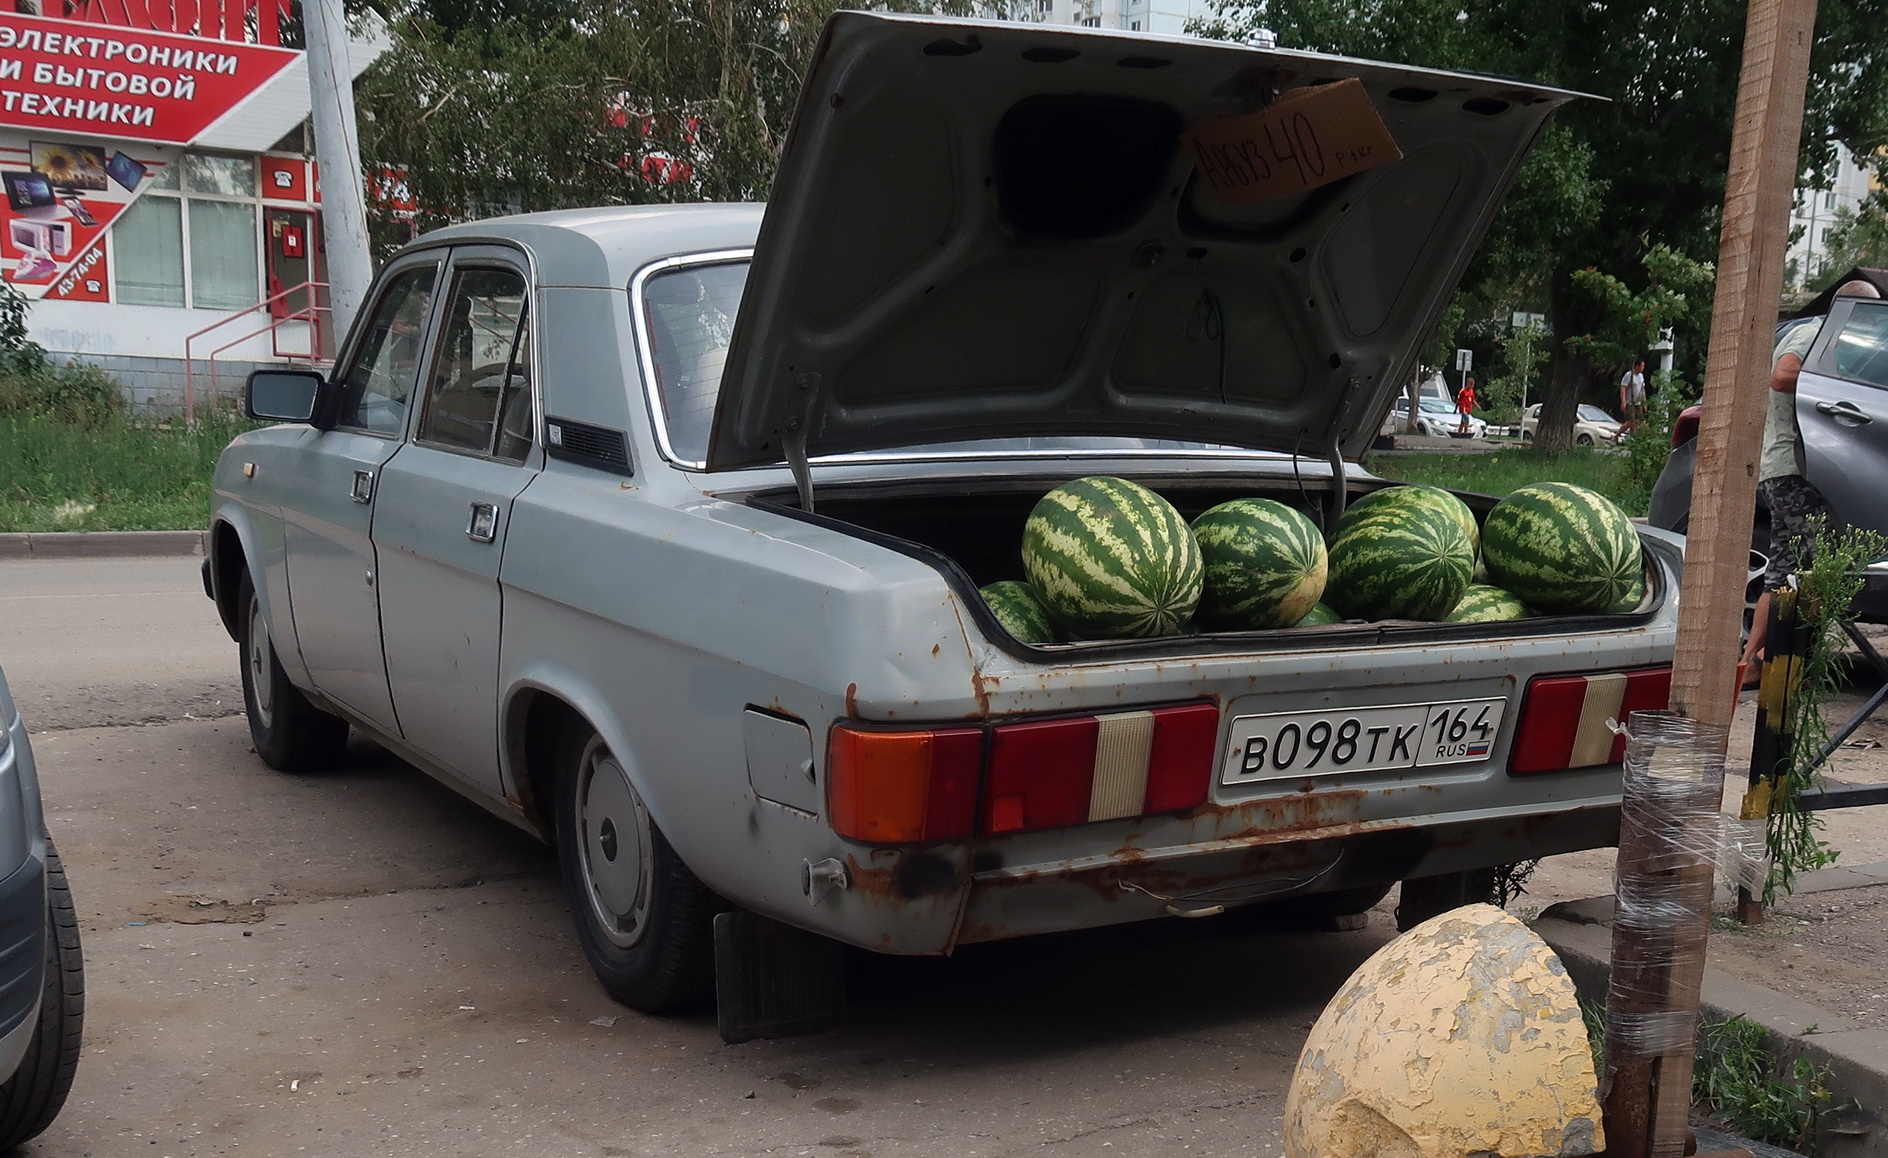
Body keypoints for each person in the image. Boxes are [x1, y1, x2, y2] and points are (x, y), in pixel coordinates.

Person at [1739, 280, 1884, 682]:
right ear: (1851, 309)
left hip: (1783, 470)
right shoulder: (1816, 332)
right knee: (1821, 567)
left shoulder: (1823, 338)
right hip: (1798, 470)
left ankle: (1753, 664)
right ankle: (1789, 660)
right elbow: (1783, 375)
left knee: (1782, 571)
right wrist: (1832, 388)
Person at [1619, 359, 1648, 431]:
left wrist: (1644, 402)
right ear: (1637, 366)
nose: (1643, 368)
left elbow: (1642, 389)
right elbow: (1623, 388)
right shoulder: (1629, 375)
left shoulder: (1641, 376)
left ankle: (1634, 436)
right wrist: (1623, 401)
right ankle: (1617, 435)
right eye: (1642, 366)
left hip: (1638, 402)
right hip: (1630, 402)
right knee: (1630, 421)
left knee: (1639, 420)